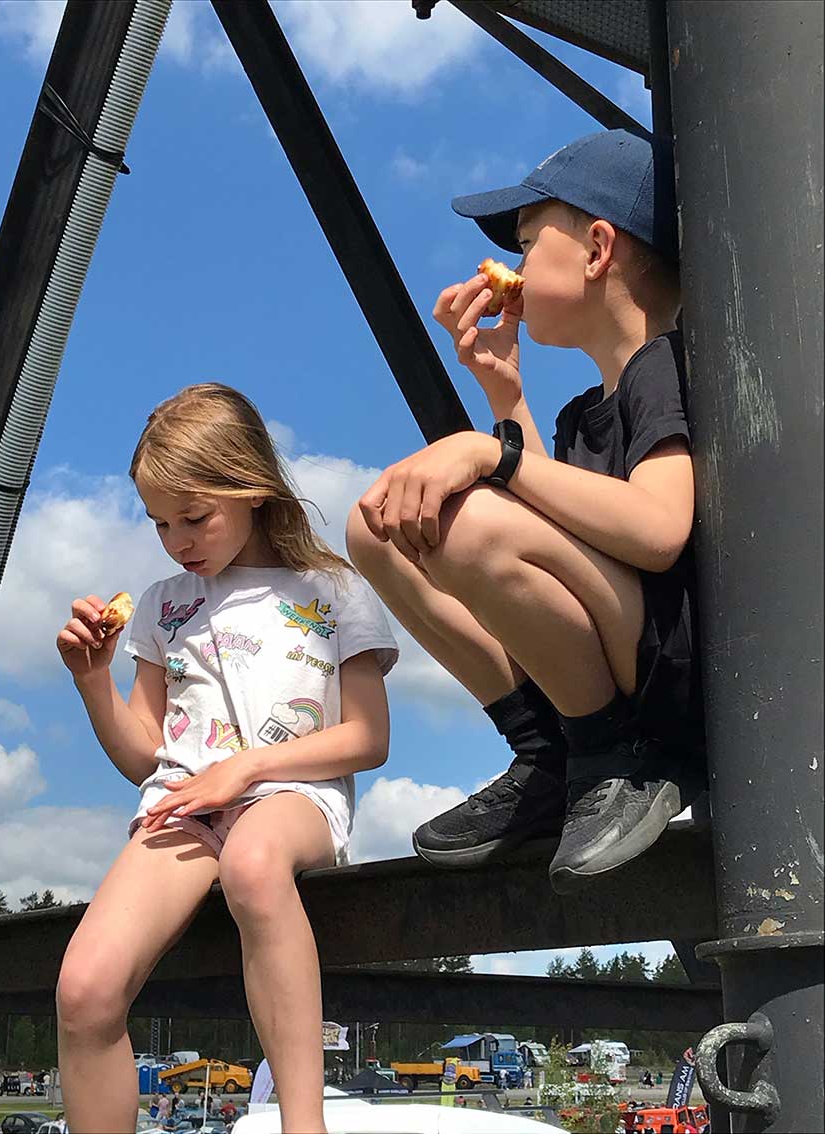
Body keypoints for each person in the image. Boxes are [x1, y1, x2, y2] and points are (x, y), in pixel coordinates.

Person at [347, 128, 705, 891]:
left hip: (662, 690)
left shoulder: (665, 364)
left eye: (529, 243)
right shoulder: (586, 410)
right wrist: (503, 393)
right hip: (621, 655)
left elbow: (659, 529)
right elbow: (553, 531)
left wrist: (493, 454)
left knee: (466, 522)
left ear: (598, 249)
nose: (517, 265)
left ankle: (613, 754)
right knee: (376, 528)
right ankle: (551, 749)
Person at [54, 383, 398, 1134]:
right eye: (159, 523)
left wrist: (244, 769)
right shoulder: (161, 604)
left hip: (291, 795)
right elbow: (145, 755)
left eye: (194, 516)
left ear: (252, 488)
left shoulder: (333, 590)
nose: (177, 540)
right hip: (183, 804)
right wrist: (92, 682)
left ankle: (302, 1125)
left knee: (253, 861)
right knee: (84, 990)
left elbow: (368, 738)